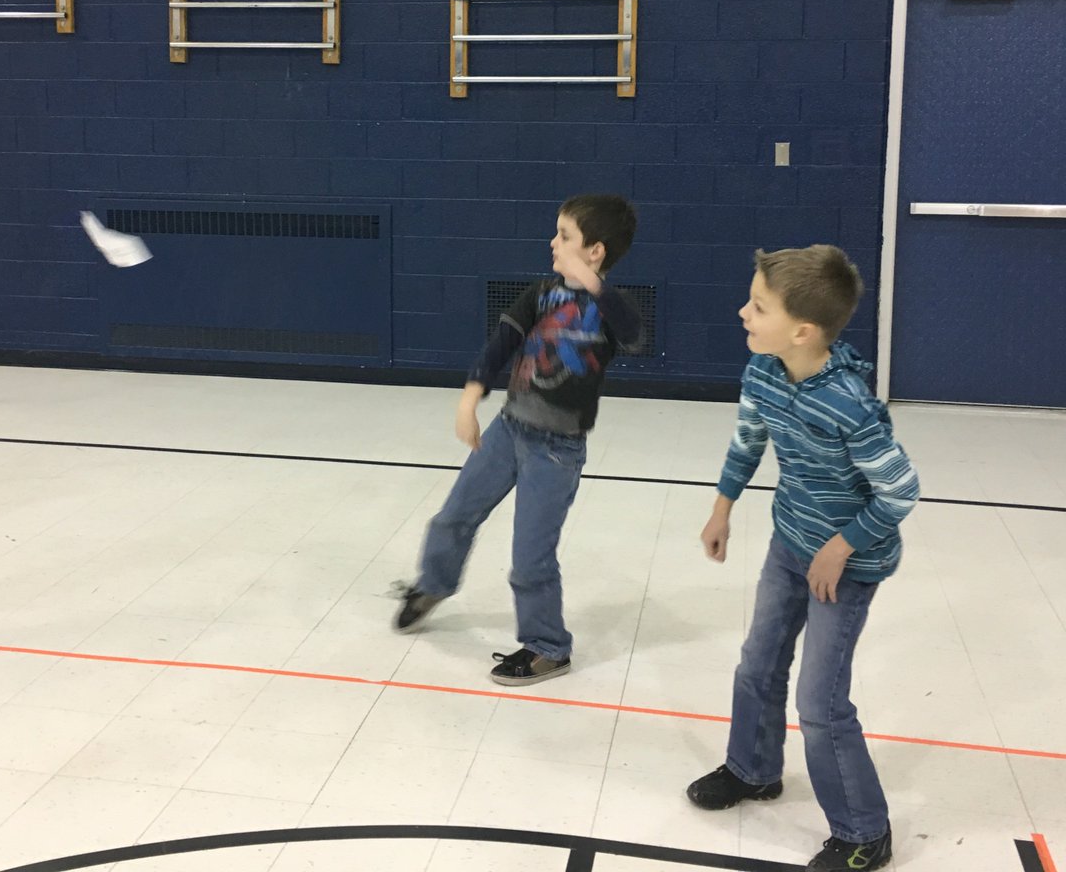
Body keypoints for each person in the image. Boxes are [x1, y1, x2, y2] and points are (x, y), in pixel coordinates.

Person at [687, 245, 919, 872]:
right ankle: (753, 769)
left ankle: (864, 831)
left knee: (820, 702)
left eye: (757, 306)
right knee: (756, 664)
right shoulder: (764, 371)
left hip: (847, 565)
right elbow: (748, 438)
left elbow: (901, 489)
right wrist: (722, 508)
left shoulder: (848, 403)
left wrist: (841, 548)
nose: (743, 312)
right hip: (790, 544)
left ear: (803, 331)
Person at [393, 193, 640, 686]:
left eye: (564, 236)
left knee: (530, 558)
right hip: (509, 430)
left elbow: (635, 333)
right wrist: (469, 400)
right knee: (453, 517)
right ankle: (433, 584)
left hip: (556, 450)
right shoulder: (541, 294)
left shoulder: (610, 309)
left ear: (596, 251)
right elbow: (499, 345)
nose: (552, 242)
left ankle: (548, 647)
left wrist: (593, 285)